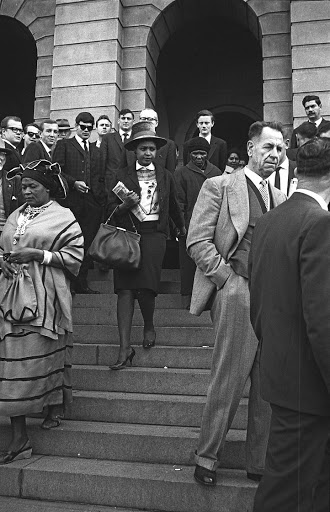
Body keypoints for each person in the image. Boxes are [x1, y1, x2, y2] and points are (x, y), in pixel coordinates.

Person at [186, 121, 286, 486]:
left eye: (280, 149)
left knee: (266, 383)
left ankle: (258, 462)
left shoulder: (280, 197)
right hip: (237, 289)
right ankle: (207, 457)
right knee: (228, 376)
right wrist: (226, 279)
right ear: (250, 148)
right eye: (268, 147)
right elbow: (197, 241)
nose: (274, 155)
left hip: (272, 296)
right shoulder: (219, 185)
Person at [248, 137, 330, 512]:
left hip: (282, 373)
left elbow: (259, 305)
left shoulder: (268, 220)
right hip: (311, 385)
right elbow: (323, 320)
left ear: (297, 172)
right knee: (285, 494)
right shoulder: (320, 223)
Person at [0, 159, 83, 464]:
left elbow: (74, 255)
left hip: (46, 294)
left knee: (45, 352)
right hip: (11, 296)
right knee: (12, 362)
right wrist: (2, 260)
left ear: (48, 188)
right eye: (23, 186)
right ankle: (19, 433)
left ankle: (52, 404)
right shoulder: (15, 215)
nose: (27, 191)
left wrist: (37, 254)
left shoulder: (63, 217)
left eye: (33, 186)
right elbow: (3, 244)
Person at [106, 121, 185, 369]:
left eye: (151, 148)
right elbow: (108, 210)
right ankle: (123, 348)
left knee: (147, 288)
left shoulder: (166, 175)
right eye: (143, 149)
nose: (147, 153)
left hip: (155, 236)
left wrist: (182, 228)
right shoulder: (121, 176)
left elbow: (173, 206)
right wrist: (123, 206)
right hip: (128, 233)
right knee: (125, 289)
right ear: (134, 151)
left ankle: (149, 324)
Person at [53, 111, 105, 294]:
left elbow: (100, 177)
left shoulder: (97, 151)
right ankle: (68, 283)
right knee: (69, 242)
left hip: (92, 204)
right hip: (71, 203)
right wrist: (74, 183)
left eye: (89, 128)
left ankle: (81, 282)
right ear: (76, 126)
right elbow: (56, 171)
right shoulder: (64, 145)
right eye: (82, 127)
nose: (85, 131)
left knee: (86, 243)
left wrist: (100, 201)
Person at [174, 137, 221, 309]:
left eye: (202, 153)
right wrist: (180, 227)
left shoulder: (216, 172)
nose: (199, 157)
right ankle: (188, 301)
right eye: (195, 154)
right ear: (189, 154)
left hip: (213, 227)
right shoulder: (181, 173)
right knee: (188, 265)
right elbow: (178, 202)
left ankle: (209, 301)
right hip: (188, 227)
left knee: (209, 262)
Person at [100, 108, 135, 190]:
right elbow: (102, 162)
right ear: (118, 121)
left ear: (133, 121)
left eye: (128, 119)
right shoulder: (108, 138)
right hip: (111, 185)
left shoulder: (136, 139)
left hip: (132, 185)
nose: (126, 121)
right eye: (123, 118)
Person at [139, 109, 177, 173]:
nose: (146, 122)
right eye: (143, 119)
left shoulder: (168, 145)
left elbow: (170, 174)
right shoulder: (129, 144)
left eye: (150, 119)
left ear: (156, 123)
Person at [0, 140, 22, 236]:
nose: (0, 158)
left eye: (3, 154)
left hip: (6, 232)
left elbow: (22, 208)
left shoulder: (14, 180)